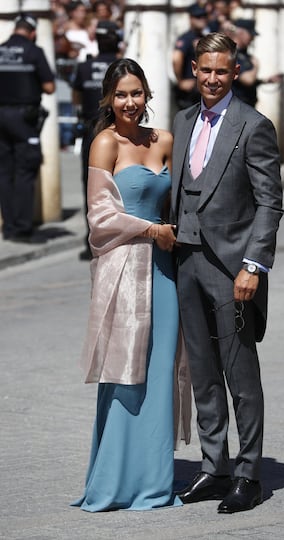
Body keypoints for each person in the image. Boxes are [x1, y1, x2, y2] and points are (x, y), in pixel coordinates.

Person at [171, 32, 283, 514]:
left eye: (222, 70)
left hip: (233, 268)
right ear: (194, 70)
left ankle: (249, 473)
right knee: (202, 374)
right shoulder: (182, 120)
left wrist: (253, 265)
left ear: (235, 72)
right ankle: (214, 467)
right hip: (186, 262)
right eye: (205, 69)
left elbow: (269, 202)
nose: (213, 78)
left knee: (240, 375)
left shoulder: (253, 125)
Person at [72, 58, 187, 512]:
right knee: (126, 373)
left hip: (165, 273)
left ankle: (156, 480)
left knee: (162, 372)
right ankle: (116, 480)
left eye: (136, 93)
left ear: (148, 96)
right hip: (124, 272)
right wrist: (151, 230)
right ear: (107, 99)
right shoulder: (104, 144)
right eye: (120, 95)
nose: (129, 103)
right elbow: (98, 219)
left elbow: (183, 202)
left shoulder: (165, 140)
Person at [0, 13, 55, 243]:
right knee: (25, 172)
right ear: (32, 33)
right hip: (24, 119)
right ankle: (23, 228)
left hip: (1, 116)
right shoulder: (34, 52)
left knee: (4, 173)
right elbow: (50, 87)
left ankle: (9, 226)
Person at [72, 19, 122, 260]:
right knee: (117, 186)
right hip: (117, 131)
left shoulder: (84, 68)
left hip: (91, 130)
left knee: (90, 186)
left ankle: (90, 238)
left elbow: (75, 97)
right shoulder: (122, 68)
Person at [223, 18, 284, 108]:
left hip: (246, 105)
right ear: (241, 33)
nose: (252, 39)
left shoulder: (245, 54)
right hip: (236, 106)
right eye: (250, 35)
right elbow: (248, 79)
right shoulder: (231, 54)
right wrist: (256, 66)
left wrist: (266, 81)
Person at [172, 2, 209, 110]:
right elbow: (176, 59)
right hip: (189, 93)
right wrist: (180, 81)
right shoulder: (187, 38)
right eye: (198, 17)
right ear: (191, 18)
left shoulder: (204, 37)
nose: (202, 19)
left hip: (200, 89)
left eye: (204, 16)